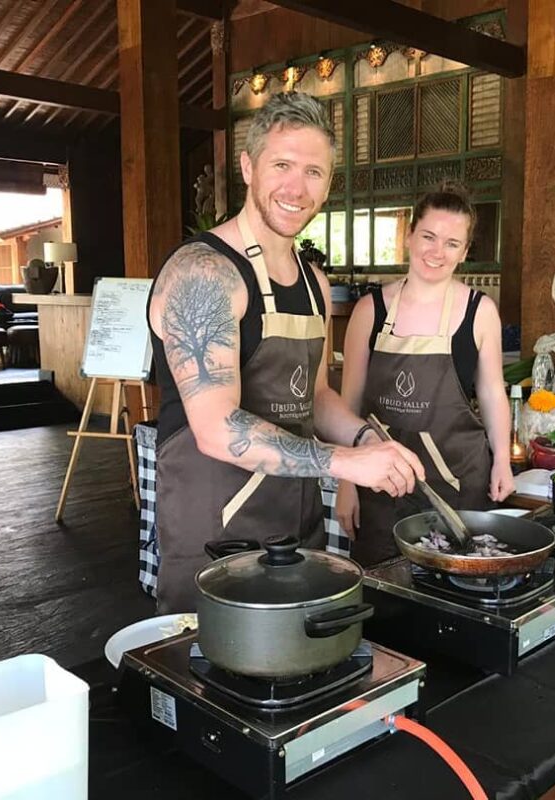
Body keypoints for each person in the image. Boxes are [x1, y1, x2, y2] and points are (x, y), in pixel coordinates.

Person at [148, 92, 423, 613]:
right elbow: (216, 427)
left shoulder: (314, 284)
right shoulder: (202, 273)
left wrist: (368, 439)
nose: (297, 188)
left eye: (314, 172)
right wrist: (346, 462)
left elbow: (315, 396)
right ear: (248, 167)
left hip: (297, 535)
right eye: (282, 165)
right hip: (216, 538)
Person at [335, 183, 514, 566]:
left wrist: (502, 459)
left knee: (455, 588)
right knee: (382, 590)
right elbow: (349, 404)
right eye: (429, 236)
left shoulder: (480, 311)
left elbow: (492, 392)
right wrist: (346, 482)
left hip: (458, 484)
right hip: (381, 487)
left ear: (464, 251)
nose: (437, 251)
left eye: (452, 243)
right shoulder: (369, 311)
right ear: (409, 236)